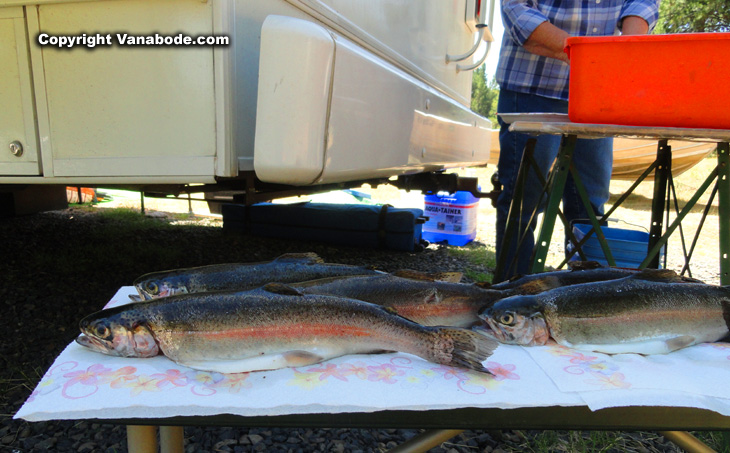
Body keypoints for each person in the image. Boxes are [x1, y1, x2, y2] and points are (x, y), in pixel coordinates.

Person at [493, 0, 660, 282]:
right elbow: (516, 10)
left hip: (597, 90)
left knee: (589, 206)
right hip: (533, 86)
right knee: (523, 200)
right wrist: (586, 53)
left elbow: (641, 3)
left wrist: (628, 47)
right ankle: (512, 296)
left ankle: (583, 298)